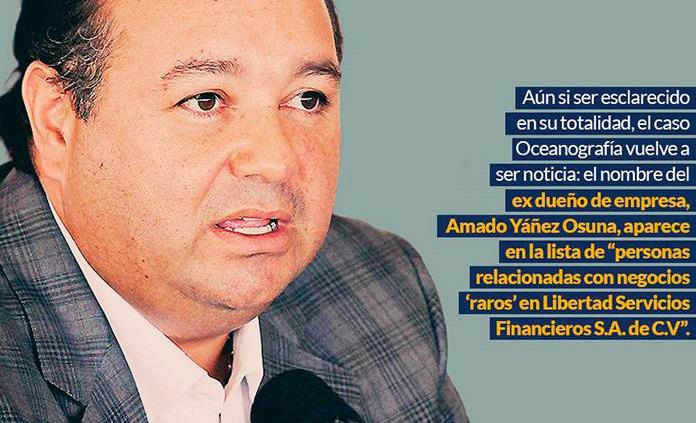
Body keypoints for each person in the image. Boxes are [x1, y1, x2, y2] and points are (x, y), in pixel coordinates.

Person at [0, 0, 468, 422]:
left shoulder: (380, 284)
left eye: (308, 98)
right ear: (56, 119)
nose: (276, 160)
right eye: (205, 100)